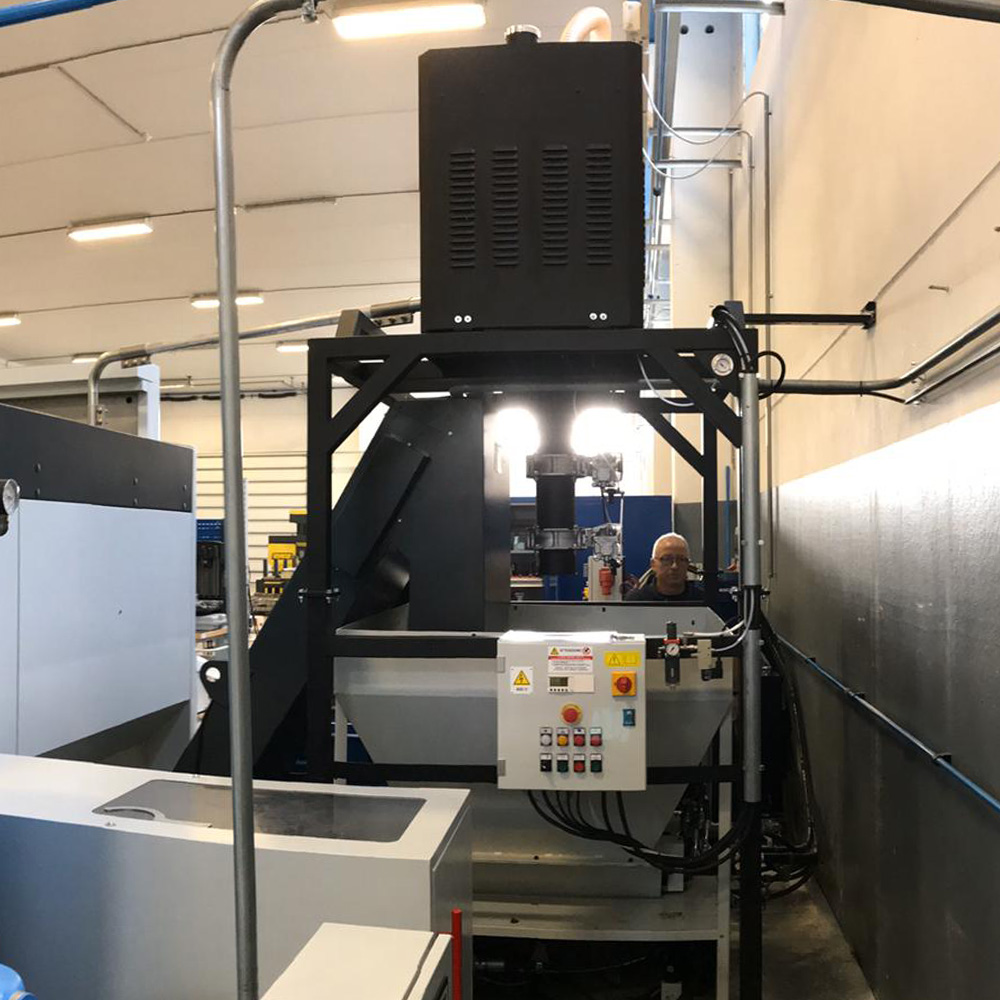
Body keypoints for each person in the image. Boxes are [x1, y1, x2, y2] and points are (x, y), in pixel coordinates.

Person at [625, 532, 704, 603]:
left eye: (681, 559)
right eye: (666, 559)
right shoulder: (636, 601)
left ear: (688, 564)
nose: (674, 566)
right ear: (653, 564)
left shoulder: (703, 601)